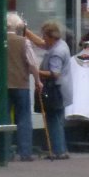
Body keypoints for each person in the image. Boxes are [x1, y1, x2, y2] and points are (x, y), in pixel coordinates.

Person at [0, 12, 42, 161]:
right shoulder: (24, 42)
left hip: (1, 86)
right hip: (21, 84)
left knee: (4, 118)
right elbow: (32, 64)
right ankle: (25, 152)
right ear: (18, 27)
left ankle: (4, 151)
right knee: (24, 117)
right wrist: (38, 81)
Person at [33, 19, 72, 159]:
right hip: (62, 89)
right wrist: (26, 33)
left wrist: (35, 71)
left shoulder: (56, 52)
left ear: (51, 36)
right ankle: (60, 149)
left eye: (45, 36)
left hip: (55, 89)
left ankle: (58, 151)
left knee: (53, 121)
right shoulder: (61, 45)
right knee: (57, 120)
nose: (43, 39)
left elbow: (55, 73)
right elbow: (41, 43)